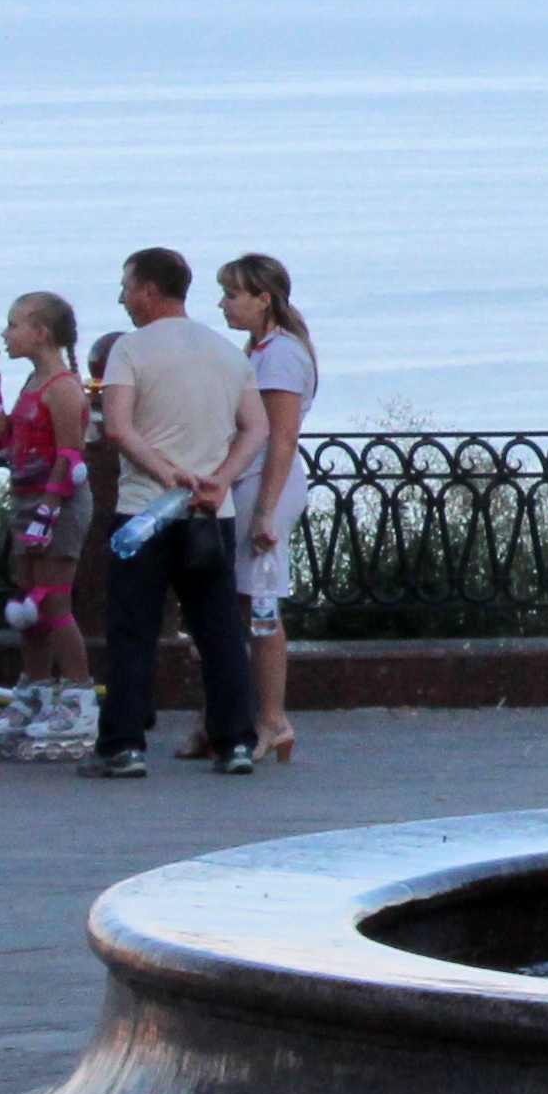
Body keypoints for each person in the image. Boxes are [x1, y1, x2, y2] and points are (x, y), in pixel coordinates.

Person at [95, 249, 264, 776]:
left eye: (126, 287)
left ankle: (124, 744)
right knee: (218, 630)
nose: (122, 298)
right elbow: (257, 428)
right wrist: (221, 477)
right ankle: (236, 740)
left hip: (146, 512)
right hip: (212, 511)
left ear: (148, 289)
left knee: (133, 629)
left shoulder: (131, 349)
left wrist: (167, 474)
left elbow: (118, 426)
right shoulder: (227, 353)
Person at [211, 255, 318, 766]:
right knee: (236, 603)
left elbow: (281, 439)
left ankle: (272, 719)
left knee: (260, 603)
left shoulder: (279, 356)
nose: (224, 305)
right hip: (247, 485)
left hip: (262, 488)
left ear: (263, 299)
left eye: (232, 295)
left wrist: (265, 513)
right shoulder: (259, 351)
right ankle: (232, 716)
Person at [0, 292, 96, 724]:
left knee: (52, 602)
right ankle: (33, 689)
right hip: (27, 499)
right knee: (27, 605)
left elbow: (69, 457)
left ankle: (78, 694)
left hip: (56, 505)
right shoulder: (31, 384)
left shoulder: (63, 388)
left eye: (14, 325)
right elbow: (3, 441)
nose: (6, 333)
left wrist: (47, 513)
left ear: (41, 333)